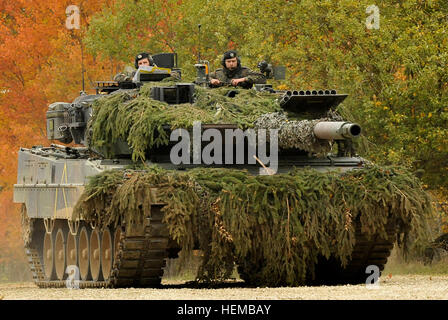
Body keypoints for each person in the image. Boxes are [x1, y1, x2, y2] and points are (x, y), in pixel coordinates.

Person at [114, 52, 180, 82]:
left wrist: (169, 75)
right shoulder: (134, 73)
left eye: (145, 62)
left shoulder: (159, 71)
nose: (142, 65)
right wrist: (128, 79)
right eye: (140, 63)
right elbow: (117, 78)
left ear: (150, 63)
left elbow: (176, 75)